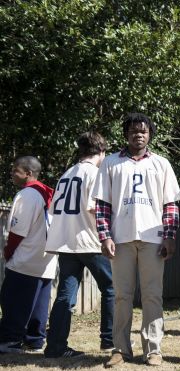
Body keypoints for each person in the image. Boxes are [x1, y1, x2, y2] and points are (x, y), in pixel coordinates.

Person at [92, 113, 180, 367]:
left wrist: (170, 236)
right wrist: (105, 236)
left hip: (153, 239)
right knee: (122, 295)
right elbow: (102, 204)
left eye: (143, 131)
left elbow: (171, 204)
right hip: (120, 239)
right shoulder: (110, 163)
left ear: (150, 134)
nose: (138, 134)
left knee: (153, 295)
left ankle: (153, 349)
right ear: (126, 134)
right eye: (133, 130)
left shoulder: (161, 164)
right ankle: (120, 349)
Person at [44, 132, 115, 358]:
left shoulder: (66, 174)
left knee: (65, 294)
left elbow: (55, 208)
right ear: (102, 152)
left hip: (66, 242)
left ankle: (55, 345)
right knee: (112, 288)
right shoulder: (96, 173)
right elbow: (95, 208)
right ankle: (108, 340)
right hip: (90, 241)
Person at [0, 156, 57, 354]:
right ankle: (35, 340)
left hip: (25, 257)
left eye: (16, 170)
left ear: (29, 173)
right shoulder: (49, 193)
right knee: (39, 303)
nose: (12, 174)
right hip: (47, 259)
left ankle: (10, 340)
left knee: (13, 300)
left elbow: (18, 232)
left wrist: (8, 253)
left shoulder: (27, 195)